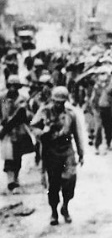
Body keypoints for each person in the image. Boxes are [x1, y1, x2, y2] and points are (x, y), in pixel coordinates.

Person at [30, 86, 85, 225]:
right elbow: (34, 127)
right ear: (52, 100)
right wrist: (43, 132)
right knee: (53, 184)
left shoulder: (70, 114)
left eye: (62, 102)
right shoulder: (44, 111)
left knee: (70, 180)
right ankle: (54, 212)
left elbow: (78, 134)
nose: (59, 104)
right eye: (56, 101)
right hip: (51, 151)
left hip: (67, 150)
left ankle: (65, 207)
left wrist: (81, 153)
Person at [0, 75, 34, 193]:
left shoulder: (23, 99)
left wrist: (24, 113)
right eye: (11, 86)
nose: (13, 89)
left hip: (19, 131)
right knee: (9, 157)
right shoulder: (2, 98)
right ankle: (10, 181)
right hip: (7, 132)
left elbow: (29, 117)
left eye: (15, 86)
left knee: (18, 157)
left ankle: (16, 177)